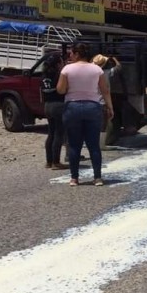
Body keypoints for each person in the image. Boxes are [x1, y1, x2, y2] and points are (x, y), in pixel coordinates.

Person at [57, 43, 114, 186]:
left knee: (74, 144)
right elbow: (105, 90)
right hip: (92, 107)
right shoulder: (97, 70)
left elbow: (61, 90)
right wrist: (110, 107)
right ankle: (98, 178)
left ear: (77, 54)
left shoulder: (67, 69)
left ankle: (74, 178)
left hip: (73, 106)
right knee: (93, 145)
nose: (69, 55)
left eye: (71, 53)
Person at [41, 53, 67, 170]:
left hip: (47, 105)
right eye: (61, 62)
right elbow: (62, 89)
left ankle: (49, 161)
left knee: (51, 133)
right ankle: (56, 162)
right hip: (58, 104)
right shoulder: (59, 75)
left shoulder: (44, 75)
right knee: (58, 134)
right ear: (57, 64)